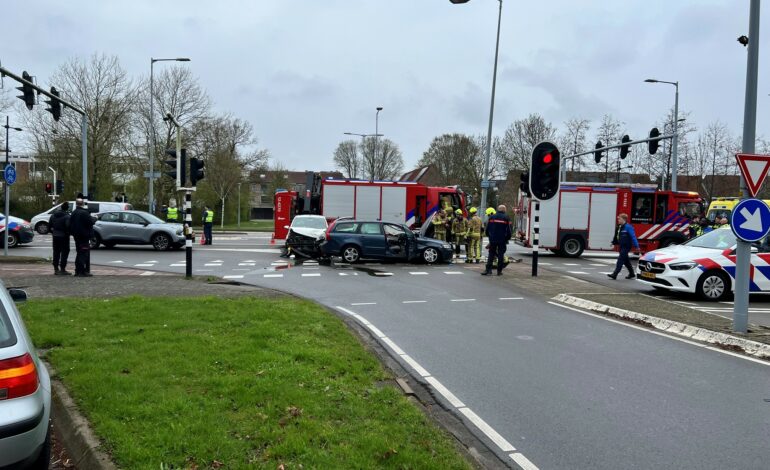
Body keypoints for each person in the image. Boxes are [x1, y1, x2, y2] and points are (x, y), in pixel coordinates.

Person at [608, 213, 640, 280]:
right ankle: (632, 273)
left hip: (626, 246)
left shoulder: (628, 227)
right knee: (625, 260)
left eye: (619, 219)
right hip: (621, 245)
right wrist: (613, 242)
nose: (618, 220)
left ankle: (615, 274)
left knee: (620, 259)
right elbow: (616, 236)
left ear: (623, 219)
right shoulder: (619, 227)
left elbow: (633, 236)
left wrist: (637, 246)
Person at [481, 205, 512, 276]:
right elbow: (509, 230)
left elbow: (487, 229)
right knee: (500, 255)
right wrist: (507, 238)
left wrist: (490, 237)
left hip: (493, 239)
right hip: (502, 240)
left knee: (491, 254)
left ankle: (488, 270)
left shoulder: (492, 217)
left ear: (498, 209)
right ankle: (499, 271)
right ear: (504, 210)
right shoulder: (506, 218)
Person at [69, 198, 94, 277]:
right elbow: (90, 222)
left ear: (76, 204)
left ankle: (77, 271)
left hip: (76, 236)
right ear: (83, 204)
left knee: (79, 252)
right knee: (83, 253)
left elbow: (70, 224)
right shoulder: (84, 213)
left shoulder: (73, 213)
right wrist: (95, 219)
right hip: (84, 236)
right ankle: (81, 271)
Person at [50, 202, 71, 275]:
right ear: (67, 208)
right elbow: (68, 226)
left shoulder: (53, 215)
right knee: (65, 252)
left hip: (55, 235)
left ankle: (56, 269)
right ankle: (63, 269)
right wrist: (68, 233)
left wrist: (53, 232)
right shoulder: (67, 216)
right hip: (64, 236)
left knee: (56, 252)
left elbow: (50, 226)